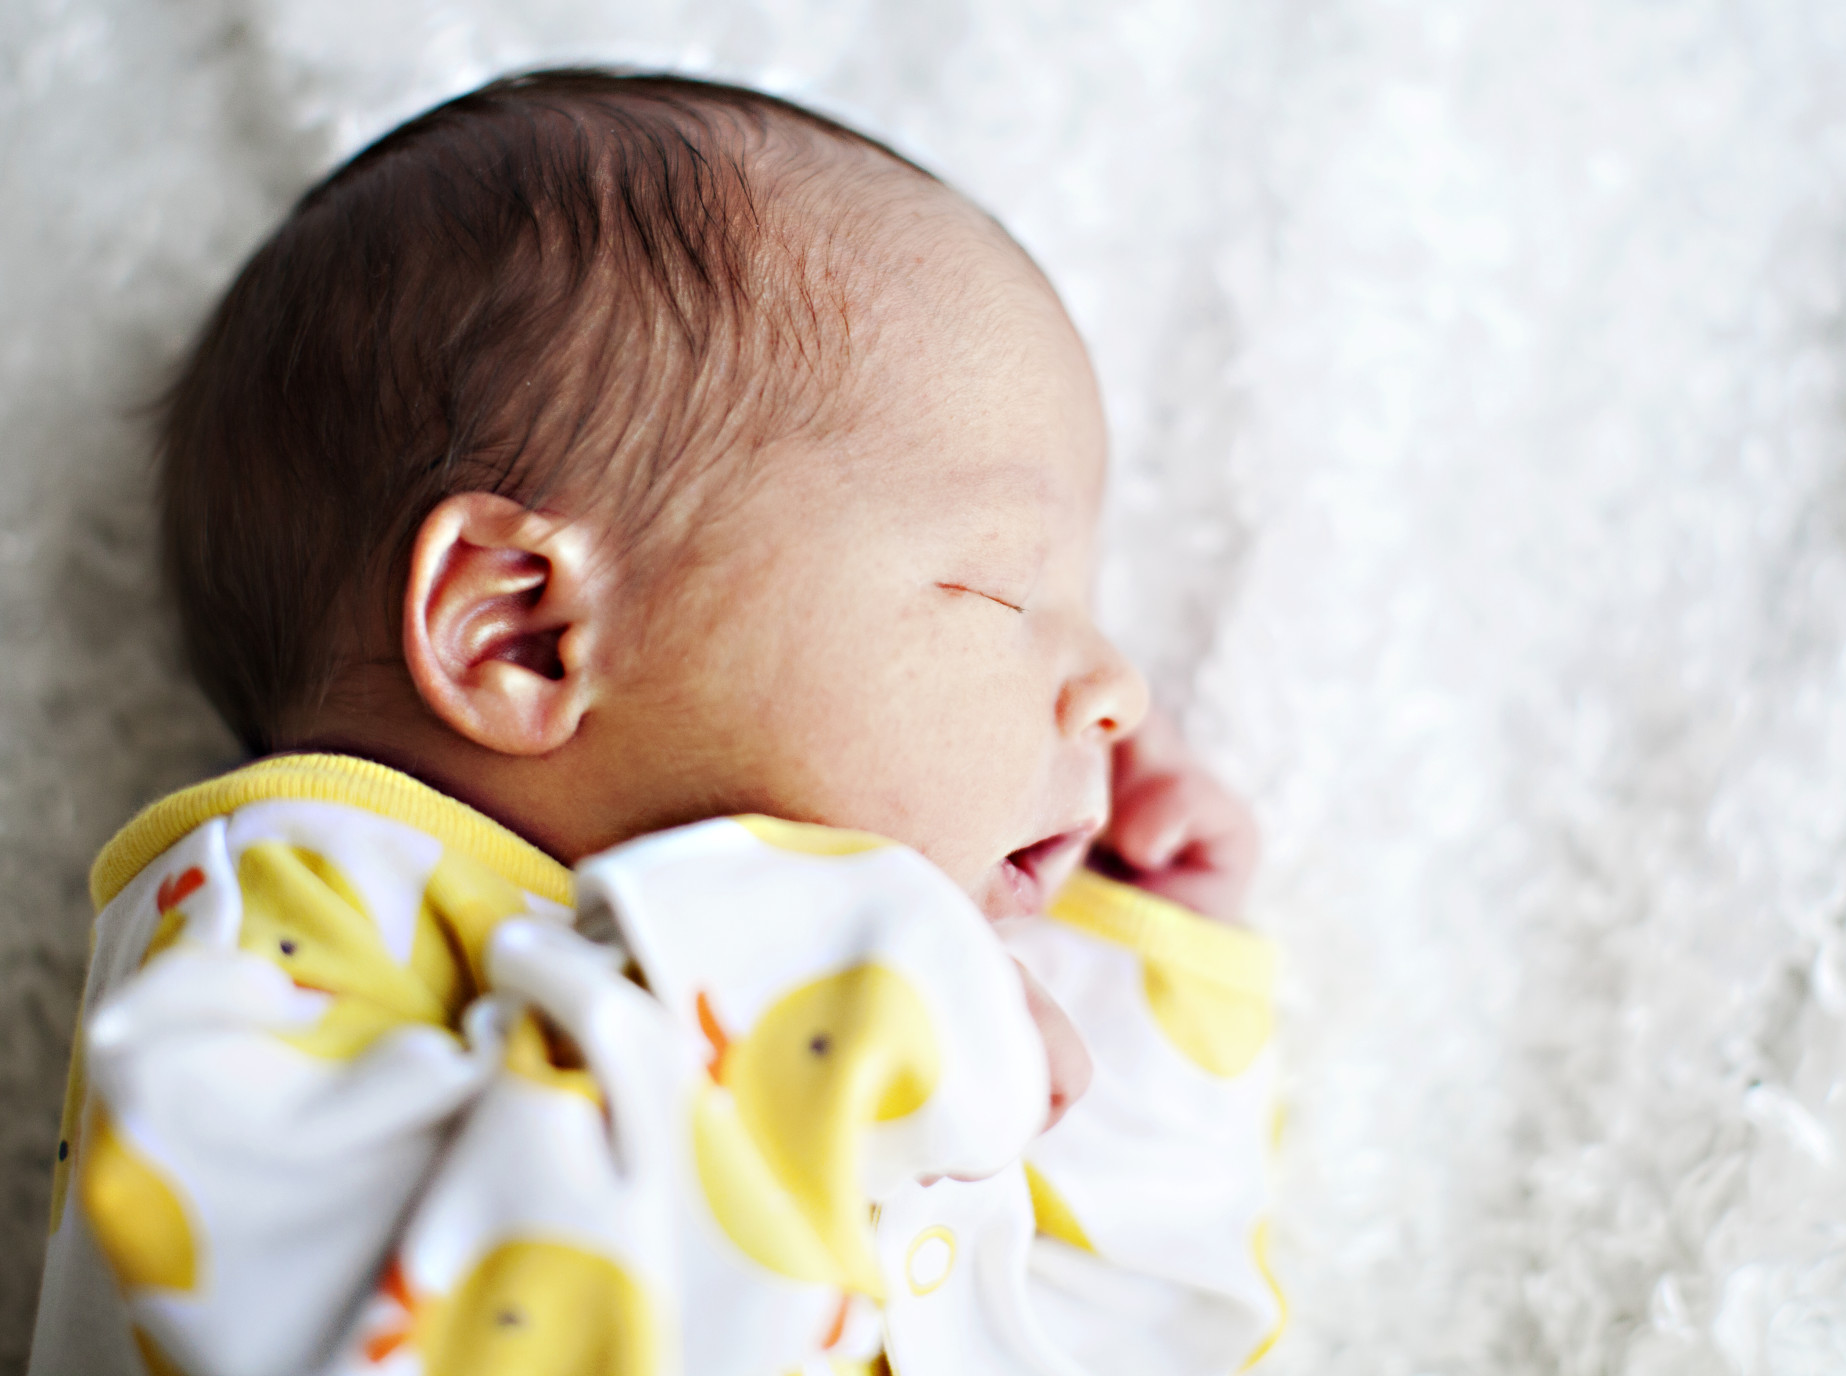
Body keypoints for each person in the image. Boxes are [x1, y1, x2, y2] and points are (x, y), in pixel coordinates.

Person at [30, 69, 1281, 1376]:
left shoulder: (890, 1024)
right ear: (524, 633)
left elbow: (1121, 1340)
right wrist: (852, 991)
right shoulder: (271, 925)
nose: (1120, 688)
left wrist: (1137, 999)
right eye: (1004, 588)